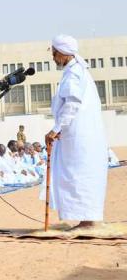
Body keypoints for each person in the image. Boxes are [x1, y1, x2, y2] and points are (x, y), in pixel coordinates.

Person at [45, 34, 108, 230]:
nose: (53, 57)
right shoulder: (77, 71)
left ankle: (87, 221)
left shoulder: (74, 73)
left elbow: (72, 103)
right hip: (78, 136)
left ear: (62, 53)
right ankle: (86, 220)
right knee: (77, 175)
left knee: (78, 176)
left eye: (54, 53)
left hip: (78, 137)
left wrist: (55, 129)